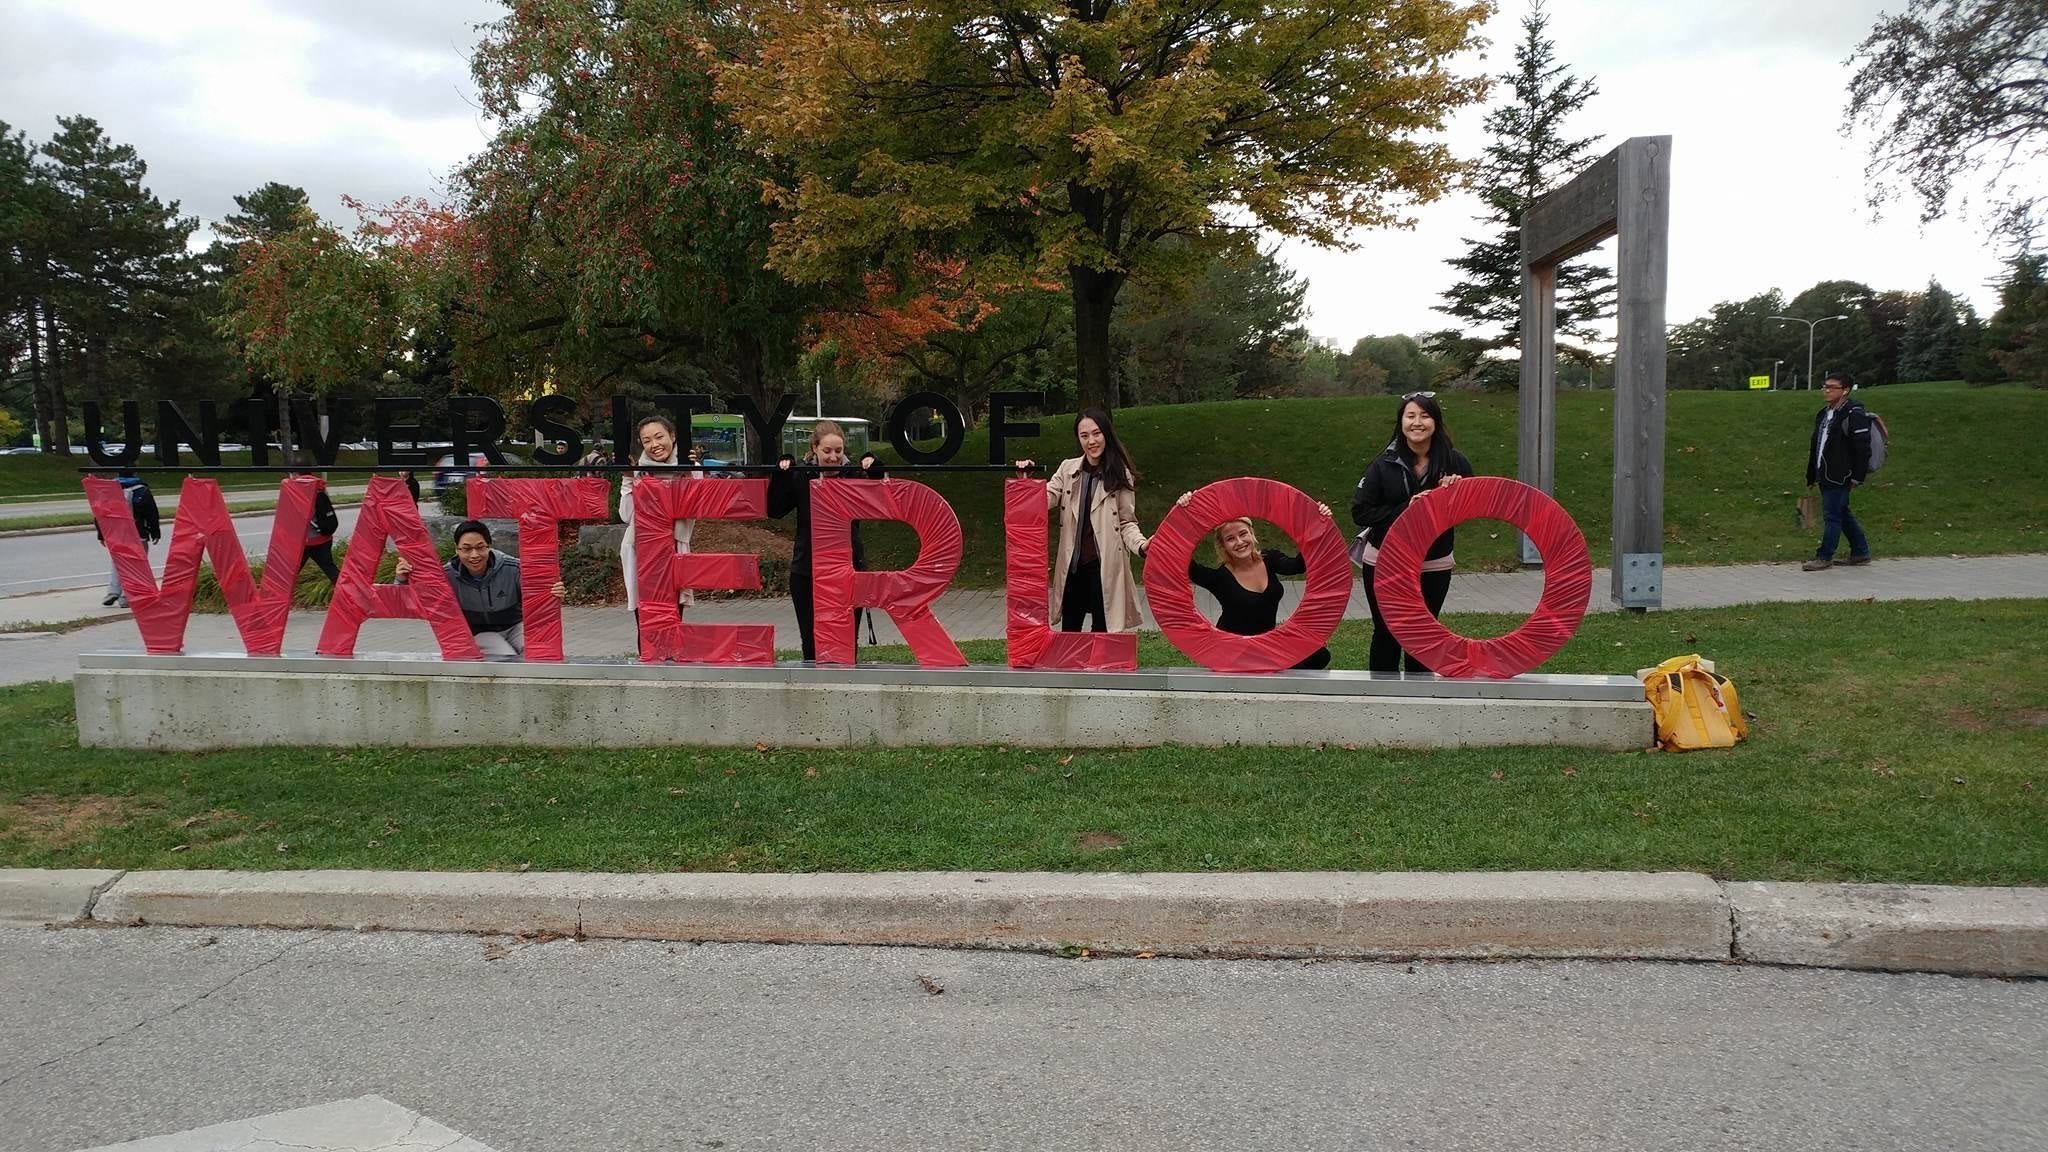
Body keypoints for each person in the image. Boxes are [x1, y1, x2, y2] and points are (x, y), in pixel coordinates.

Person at [1350, 392, 1474, 674]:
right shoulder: (1383, 464)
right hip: (1385, 561)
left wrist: (1457, 492)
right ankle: (1381, 703)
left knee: (1423, 634)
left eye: (1424, 415)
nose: (1417, 422)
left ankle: (1419, 703)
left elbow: (1473, 510)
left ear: (1436, 421)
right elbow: (1361, 513)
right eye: (1410, 416)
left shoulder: (1456, 463)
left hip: (1433, 563)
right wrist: (1406, 508)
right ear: (1401, 422)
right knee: (1386, 631)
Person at [1013, 408, 1149, 633]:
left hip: (1104, 570)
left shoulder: (1120, 474)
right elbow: (1043, 500)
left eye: (1096, 434)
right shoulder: (1068, 469)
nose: (1091, 441)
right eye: (1084, 436)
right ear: (1078, 438)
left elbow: (1126, 522)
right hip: (1073, 569)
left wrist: (1142, 546)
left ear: (1106, 434)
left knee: (1102, 638)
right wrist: (1026, 483)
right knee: (1069, 636)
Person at [1175, 491, 1334, 670]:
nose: (1239, 542)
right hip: (1234, 649)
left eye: (1243, 534)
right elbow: (1182, 559)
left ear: (1252, 533)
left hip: (1267, 641)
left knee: (1319, 655)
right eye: (1230, 539)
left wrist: (1317, 521)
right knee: (1295, 669)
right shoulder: (1219, 578)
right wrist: (1187, 511)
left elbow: (1297, 565)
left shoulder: (1270, 559)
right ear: (1223, 546)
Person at [768, 419, 883, 661]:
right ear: (814, 449)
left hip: (848, 570)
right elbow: (775, 510)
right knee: (811, 644)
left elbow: (883, 496)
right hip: (807, 571)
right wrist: (780, 475)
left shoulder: (853, 476)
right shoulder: (801, 476)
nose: (833, 457)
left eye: (838, 451)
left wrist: (875, 466)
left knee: (846, 645)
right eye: (827, 451)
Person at [394, 519, 564, 658]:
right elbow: (412, 602)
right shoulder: (446, 576)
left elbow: (540, 594)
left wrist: (553, 593)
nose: (474, 555)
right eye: (466, 549)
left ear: (489, 546)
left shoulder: (513, 568)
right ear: (457, 549)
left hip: (515, 626)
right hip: (480, 633)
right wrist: (401, 580)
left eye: (480, 547)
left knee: (537, 653)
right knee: (506, 658)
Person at [618, 416, 704, 624]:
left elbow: (696, 505)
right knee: (646, 621)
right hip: (641, 549)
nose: (654, 445)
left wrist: (692, 471)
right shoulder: (638, 470)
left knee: (673, 617)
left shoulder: (689, 466)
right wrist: (629, 478)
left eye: (659, 437)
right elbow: (627, 515)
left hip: (673, 548)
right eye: (647, 440)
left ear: (672, 436)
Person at [1802, 370, 1874, 571]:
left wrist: (1857, 477)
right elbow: (1817, 446)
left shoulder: (1854, 414)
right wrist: (1811, 473)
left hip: (1841, 475)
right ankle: (1860, 552)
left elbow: (1863, 449)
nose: (1826, 391)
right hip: (1823, 472)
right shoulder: (1824, 414)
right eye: (1825, 387)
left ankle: (1824, 556)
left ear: (1845, 391)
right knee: (1842, 513)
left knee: (1832, 516)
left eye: (1831, 387)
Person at [97, 469, 160, 608]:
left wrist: (101, 534)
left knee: (117, 562)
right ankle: (127, 595)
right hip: (138, 532)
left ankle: (113, 591)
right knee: (135, 565)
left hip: (116, 532)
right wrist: (155, 532)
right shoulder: (142, 490)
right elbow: (152, 514)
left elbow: (100, 512)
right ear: (135, 473)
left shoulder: (109, 490)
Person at [298, 476, 342, 584]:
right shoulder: (320, 486)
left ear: (294, 473)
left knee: (290, 573)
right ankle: (349, 597)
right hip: (324, 539)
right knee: (331, 569)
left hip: (307, 542)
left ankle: (275, 599)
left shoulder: (298, 488)